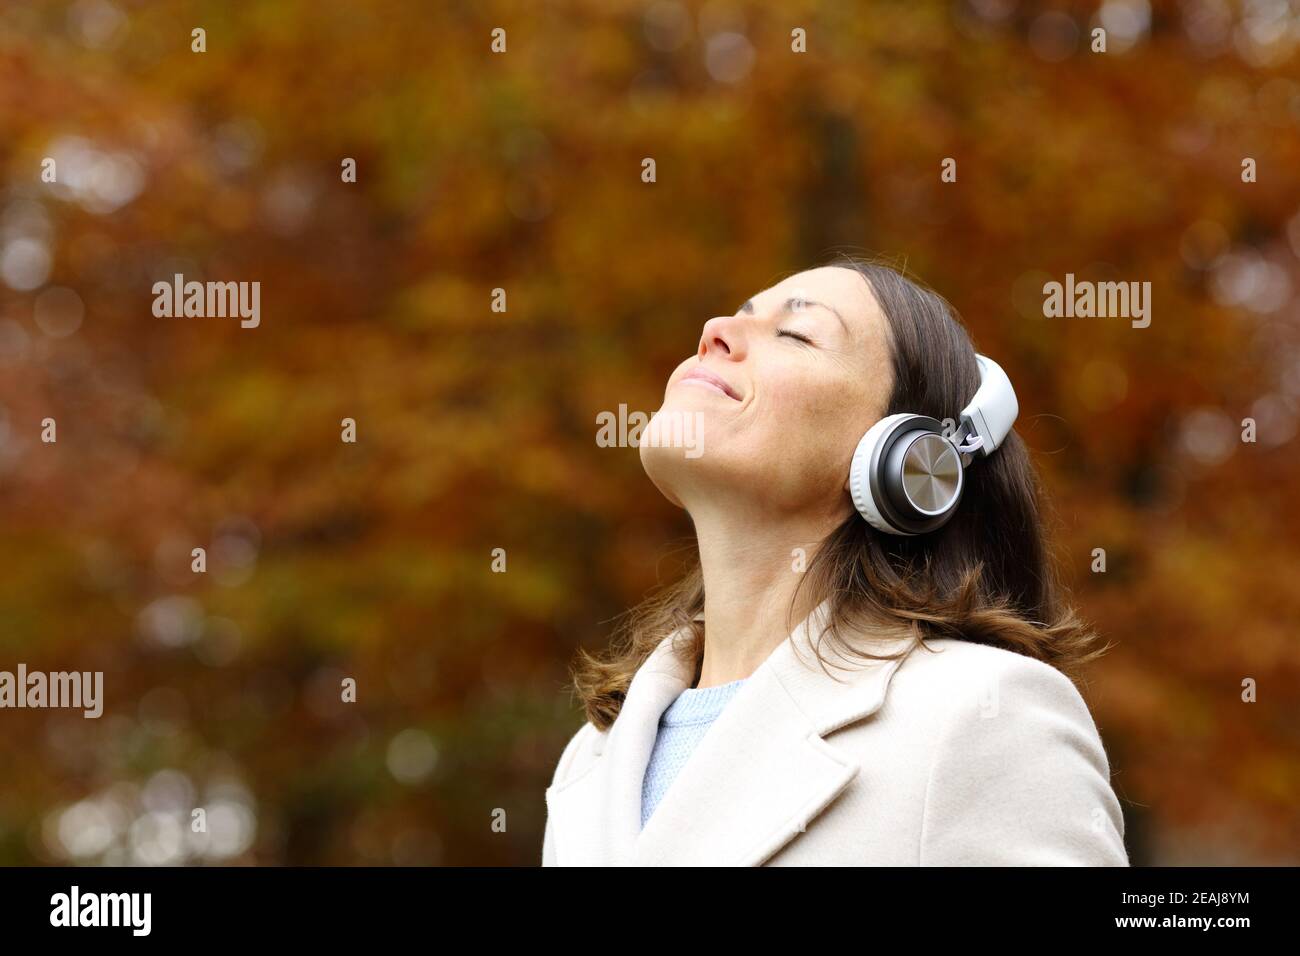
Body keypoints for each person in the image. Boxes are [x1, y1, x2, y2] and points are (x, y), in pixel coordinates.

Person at [542, 254, 1128, 866]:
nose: (715, 329)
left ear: (906, 460)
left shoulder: (984, 715)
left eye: (795, 333)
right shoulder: (593, 758)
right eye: (737, 316)